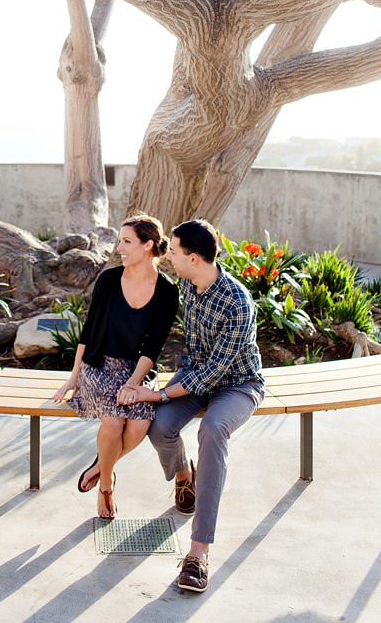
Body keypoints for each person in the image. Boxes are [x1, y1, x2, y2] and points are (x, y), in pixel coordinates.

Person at [116, 218, 264, 595]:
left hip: (238, 384)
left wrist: (162, 393)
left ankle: (198, 553)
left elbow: (218, 371)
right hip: (196, 377)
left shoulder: (237, 304)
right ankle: (184, 478)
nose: (170, 258)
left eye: (176, 253)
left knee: (211, 430)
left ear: (195, 258)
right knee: (158, 424)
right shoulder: (188, 283)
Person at [51, 214, 180, 520]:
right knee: (112, 422)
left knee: (138, 425)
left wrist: (134, 383)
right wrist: (72, 379)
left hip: (138, 369)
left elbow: (154, 347)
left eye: (127, 242)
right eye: (120, 241)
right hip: (98, 365)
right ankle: (106, 485)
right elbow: (88, 332)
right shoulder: (109, 281)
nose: (119, 248)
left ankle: (100, 465)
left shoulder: (167, 291)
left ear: (148, 246)